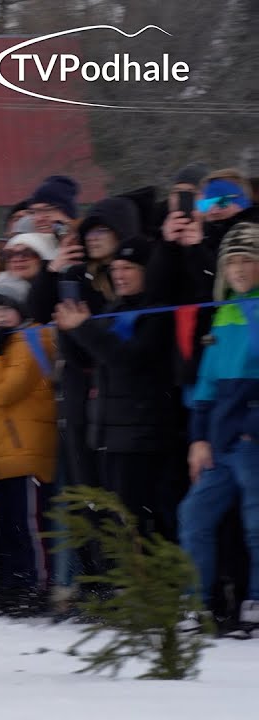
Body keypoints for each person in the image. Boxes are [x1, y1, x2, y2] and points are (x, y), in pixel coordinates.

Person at [55, 237, 185, 542]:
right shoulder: (113, 308)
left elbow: (126, 360)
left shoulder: (157, 312)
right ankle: (124, 582)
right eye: (115, 268)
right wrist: (68, 331)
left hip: (143, 435)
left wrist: (82, 329)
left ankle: (154, 583)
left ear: (146, 271)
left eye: (128, 268)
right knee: (114, 519)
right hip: (108, 434)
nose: (120, 274)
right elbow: (84, 359)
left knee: (139, 519)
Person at [177, 223, 259, 632]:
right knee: (193, 514)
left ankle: (256, 601)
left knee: (256, 521)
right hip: (219, 440)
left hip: (249, 438)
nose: (239, 269)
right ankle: (197, 603)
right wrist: (198, 438)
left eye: (248, 259)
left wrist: (251, 425)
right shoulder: (223, 314)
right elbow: (205, 388)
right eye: (232, 261)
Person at [0, 282, 57, 614]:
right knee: (8, 526)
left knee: (29, 525)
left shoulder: (29, 341)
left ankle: (36, 586)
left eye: (5, 310)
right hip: (2, 454)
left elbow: (3, 394)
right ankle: (13, 584)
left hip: (26, 451)